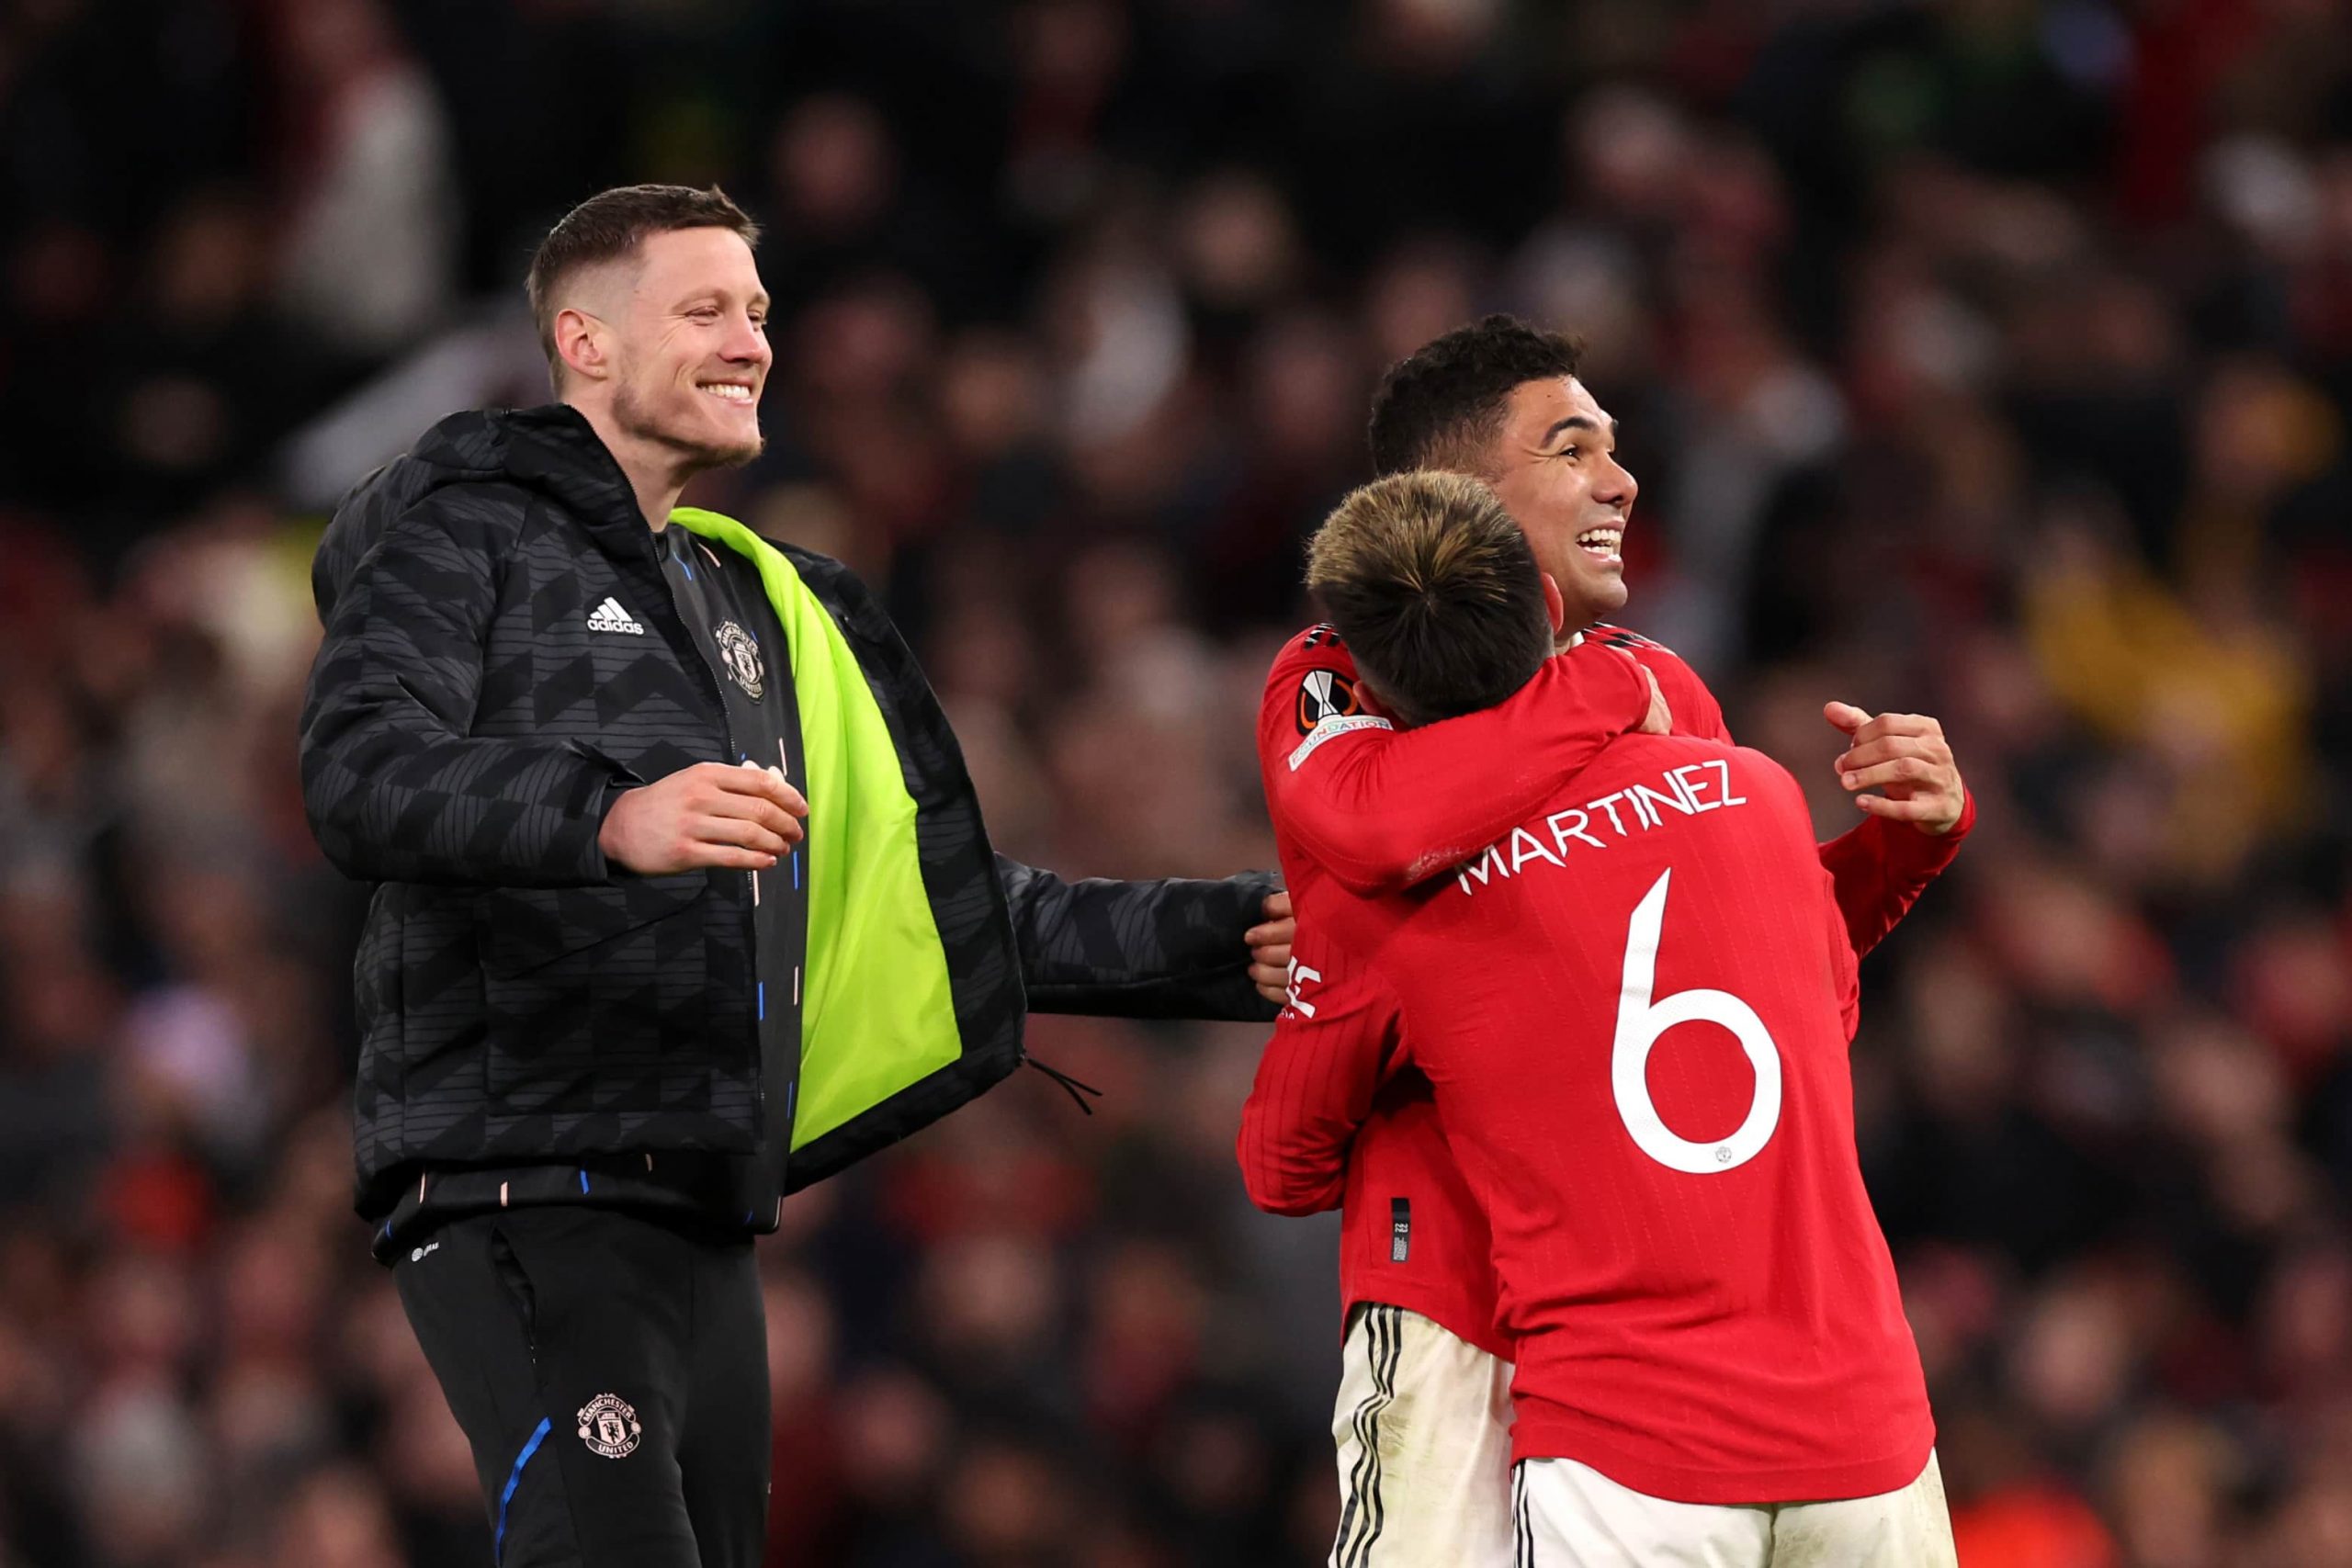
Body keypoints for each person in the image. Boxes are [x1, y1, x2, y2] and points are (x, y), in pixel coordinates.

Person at [297, 183, 1293, 1568]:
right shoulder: (463, 535)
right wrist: (608, 816)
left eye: (759, 312)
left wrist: (1227, 936)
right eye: (705, 310)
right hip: (521, 1183)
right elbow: (360, 768)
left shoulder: (759, 607)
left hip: (708, 1213)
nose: (752, 342)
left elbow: (928, 911)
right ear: (584, 340)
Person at [1247, 317, 1971, 1565]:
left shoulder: (1662, 683)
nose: (1621, 482)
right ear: (1457, 493)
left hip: (1655, 1308)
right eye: (1572, 449)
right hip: (1454, 1301)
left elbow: (1758, 980)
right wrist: (1595, 690)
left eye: (1614, 448)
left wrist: (1905, 848)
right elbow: (1378, 826)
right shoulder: (1341, 668)